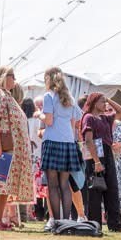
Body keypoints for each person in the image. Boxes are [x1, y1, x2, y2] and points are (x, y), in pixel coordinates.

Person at [0, 66, 33, 230]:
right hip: (1, 145)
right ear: (3, 77)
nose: (15, 80)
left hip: (8, 146)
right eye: (12, 76)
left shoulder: (7, 95)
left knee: (4, 184)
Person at [38, 67, 84, 223]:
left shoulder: (48, 96)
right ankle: (66, 220)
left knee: (53, 185)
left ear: (48, 79)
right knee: (64, 184)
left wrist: (39, 114)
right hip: (68, 142)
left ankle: (57, 221)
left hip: (52, 141)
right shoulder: (69, 97)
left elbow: (49, 120)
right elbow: (77, 116)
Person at [81, 92, 121, 233]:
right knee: (95, 190)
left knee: (112, 189)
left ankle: (116, 224)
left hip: (107, 154)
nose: (105, 104)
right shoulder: (88, 118)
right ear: (94, 103)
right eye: (102, 102)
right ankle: (95, 225)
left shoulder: (105, 118)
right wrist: (96, 161)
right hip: (95, 156)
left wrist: (108, 99)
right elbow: (88, 140)